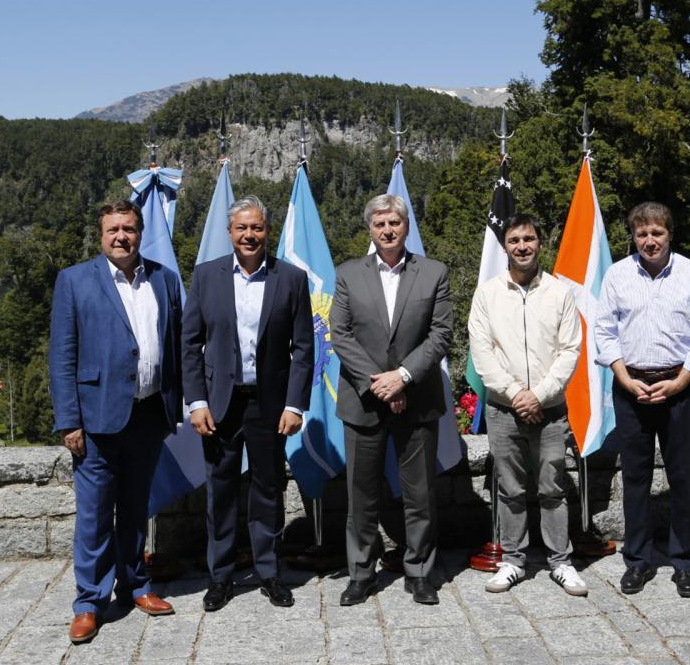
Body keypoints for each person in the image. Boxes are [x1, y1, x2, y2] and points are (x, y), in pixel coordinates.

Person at [49, 200, 182, 644]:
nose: (121, 236)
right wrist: (70, 420)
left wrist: (174, 408)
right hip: (96, 421)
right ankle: (89, 602)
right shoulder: (74, 281)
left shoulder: (163, 279)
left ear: (140, 232)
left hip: (147, 416)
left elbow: (176, 347)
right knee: (93, 517)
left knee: (135, 510)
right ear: (100, 235)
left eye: (128, 228)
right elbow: (62, 357)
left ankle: (135, 586)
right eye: (113, 230)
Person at [181, 195, 313, 611]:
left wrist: (295, 405)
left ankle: (269, 573)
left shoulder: (291, 278)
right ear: (230, 233)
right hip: (219, 404)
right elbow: (189, 344)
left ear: (267, 232)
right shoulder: (205, 277)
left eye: (257, 228)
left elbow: (305, 348)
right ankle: (220, 578)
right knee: (220, 492)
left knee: (268, 490)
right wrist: (196, 401)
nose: (249, 235)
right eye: (242, 228)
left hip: (270, 406)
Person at [331, 193, 453, 606]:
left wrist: (402, 378)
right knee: (361, 496)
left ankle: (419, 572)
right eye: (380, 224)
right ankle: (361, 574)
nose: (387, 230)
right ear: (370, 229)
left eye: (395, 223)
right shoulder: (348, 273)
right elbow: (341, 335)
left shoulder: (434, 273)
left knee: (419, 495)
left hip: (417, 400)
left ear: (405, 227)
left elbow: (440, 335)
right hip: (363, 401)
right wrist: (379, 385)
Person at [593, 201, 690, 599]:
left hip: (680, 389)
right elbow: (605, 330)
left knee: (683, 477)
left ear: (670, 234)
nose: (649, 240)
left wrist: (680, 383)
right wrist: (624, 379)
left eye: (657, 233)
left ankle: (686, 562)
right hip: (631, 388)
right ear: (633, 236)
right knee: (635, 479)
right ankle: (639, 560)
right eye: (642, 233)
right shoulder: (616, 275)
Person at [467, 214, 587, 596]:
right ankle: (513, 560)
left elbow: (570, 350)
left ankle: (560, 562)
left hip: (550, 409)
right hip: (503, 410)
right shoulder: (487, 294)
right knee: (510, 488)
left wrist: (540, 395)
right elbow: (482, 352)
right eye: (515, 239)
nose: (522, 246)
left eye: (529, 239)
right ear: (505, 246)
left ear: (540, 243)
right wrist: (518, 394)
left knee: (553, 486)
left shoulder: (559, 293)